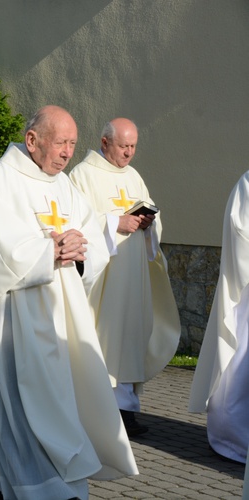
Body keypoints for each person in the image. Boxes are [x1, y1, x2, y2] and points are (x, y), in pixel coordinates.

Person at [0, 105, 138, 498]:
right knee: (24, 405)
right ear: (33, 140)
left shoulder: (64, 185)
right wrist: (50, 249)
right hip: (15, 314)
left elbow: (91, 236)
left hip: (63, 312)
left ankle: (30, 477)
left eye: (73, 144)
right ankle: (37, 488)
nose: (67, 153)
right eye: (60, 143)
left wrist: (79, 248)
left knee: (58, 401)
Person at [69, 118, 181, 437]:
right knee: (105, 337)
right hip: (103, 278)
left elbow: (151, 220)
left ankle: (127, 410)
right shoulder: (82, 175)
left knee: (131, 337)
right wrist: (113, 224)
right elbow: (76, 221)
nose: (129, 153)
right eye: (123, 146)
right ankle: (101, 411)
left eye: (133, 146)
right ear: (105, 143)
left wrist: (147, 224)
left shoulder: (133, 176)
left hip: (134, 274)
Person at [189, 168, 249, 464]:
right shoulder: (248, 182)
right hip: (247, 297)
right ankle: (230, 436)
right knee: (239, 363)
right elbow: (241, 232)